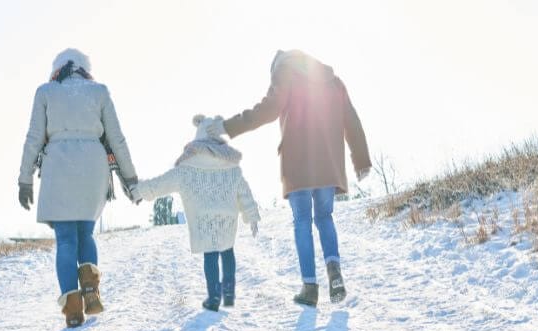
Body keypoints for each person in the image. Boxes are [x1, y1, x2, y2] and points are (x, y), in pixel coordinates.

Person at [206, 49, 372, 306]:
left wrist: (228, 127)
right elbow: (351, 119)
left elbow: (267, 110)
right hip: (328, 162)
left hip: (298, 164)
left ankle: (310, 287)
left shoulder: (285, 74)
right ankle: (334, 270)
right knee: (325, 217)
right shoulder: (333, 80)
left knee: (302, 221)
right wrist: (361, 160)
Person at [18, 48, 138, 327]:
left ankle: (73, 310)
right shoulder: (99, 92)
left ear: (57, 69)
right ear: (85, 69)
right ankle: (91, 289)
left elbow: (34, 138)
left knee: (66, 240)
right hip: (92, 169)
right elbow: (117, 139)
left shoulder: (45, 92)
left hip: (58, 167)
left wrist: (25, 179)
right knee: (85, 233)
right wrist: (131, 179)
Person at [130, 115, 260, 312]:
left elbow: (160, 184)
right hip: (228, 219)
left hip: (203, 220)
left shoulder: (187, 168)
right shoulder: (232, 166)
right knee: (227, 250)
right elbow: (244, 192)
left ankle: (214, 297)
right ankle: (230, 294)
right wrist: (251, 215)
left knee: (210, 255)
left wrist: (139, 190)